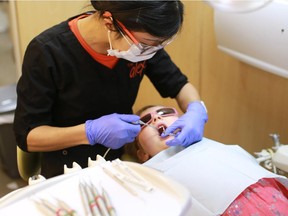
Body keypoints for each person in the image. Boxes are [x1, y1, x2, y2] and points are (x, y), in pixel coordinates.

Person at [13, 1, 208, 179]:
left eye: (158, 45)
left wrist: (196, 110)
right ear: (109, 21)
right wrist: (91, 132)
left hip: (118, 162)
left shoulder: (142, 45)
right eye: (147, 45)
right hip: (68, 170)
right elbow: (28, 136)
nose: (150, 52)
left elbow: (179, 85)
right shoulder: (48, 51)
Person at [125, 105, 288, 216]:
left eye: (165, 112)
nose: (155, 119)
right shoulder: (148, 181)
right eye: (145, 121)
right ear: (142, 154)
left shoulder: (213, 147)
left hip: (273, 198)